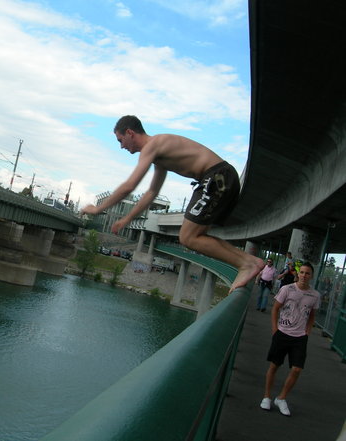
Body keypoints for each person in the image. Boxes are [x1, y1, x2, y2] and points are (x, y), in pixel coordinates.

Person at [80, 115, 264, 291]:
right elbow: (152, 192)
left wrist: (98, 209)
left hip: (216, 177)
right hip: (220, 177)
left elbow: (129, 186)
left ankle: (246, 264)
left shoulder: (153, 145)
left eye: (120, 140)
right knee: (198, 235)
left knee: (187, 237)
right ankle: (250, 262)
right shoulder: (159, 156)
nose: (121, 147)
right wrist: (127, 219)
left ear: (130, 132)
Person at [259, 262, 320, 416]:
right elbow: (275, 308)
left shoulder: (315, 295)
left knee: (297, 369)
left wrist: (307, 332)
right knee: (274, 366)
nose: (304, 276)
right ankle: (267, 396)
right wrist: (275, 330)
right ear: (297, 274)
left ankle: (281, 398)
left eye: (308, 273)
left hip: (300, 337)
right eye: (302, 272)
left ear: (311, 276)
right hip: (282, 333)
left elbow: (312, 315)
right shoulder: (287, 289)